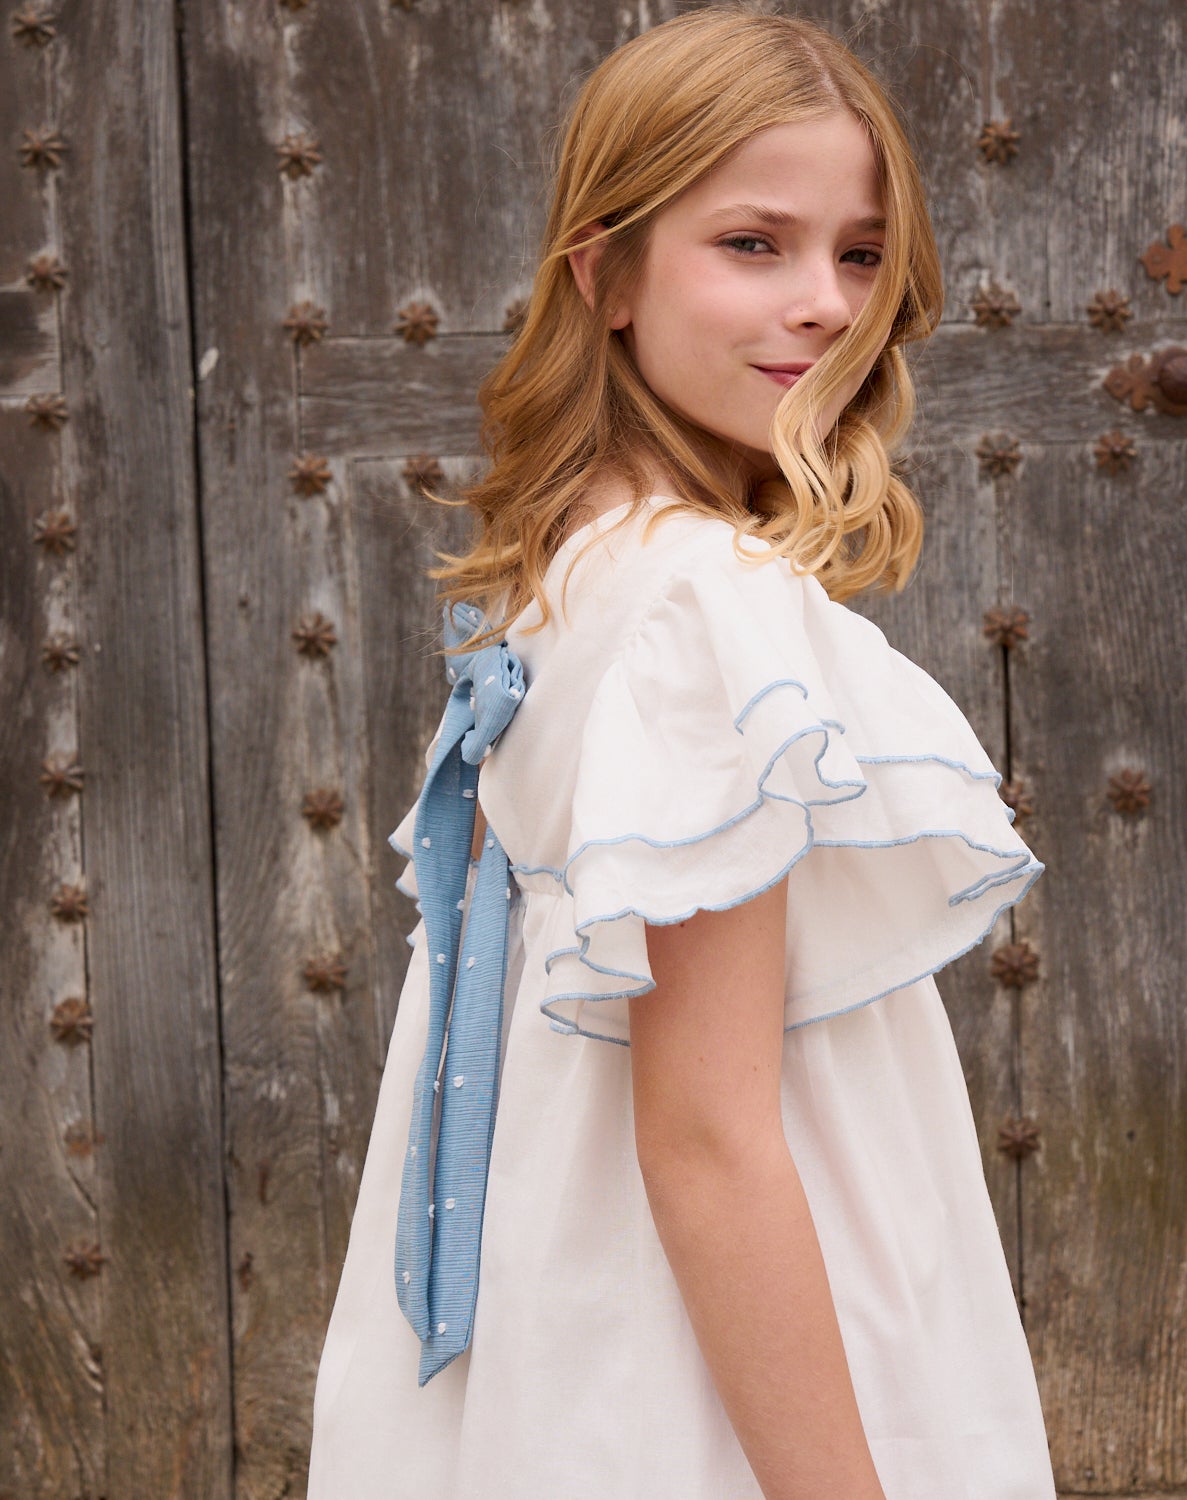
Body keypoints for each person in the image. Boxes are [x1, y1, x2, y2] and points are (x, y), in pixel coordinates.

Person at [306, 7, 1056, 1497]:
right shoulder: (699, 607)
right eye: (753, 244)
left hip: (571, 1308)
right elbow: (708, 1141)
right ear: (608, 275)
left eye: (858, 253)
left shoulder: (583, 559)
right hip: (732, 1374)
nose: (827, 304)